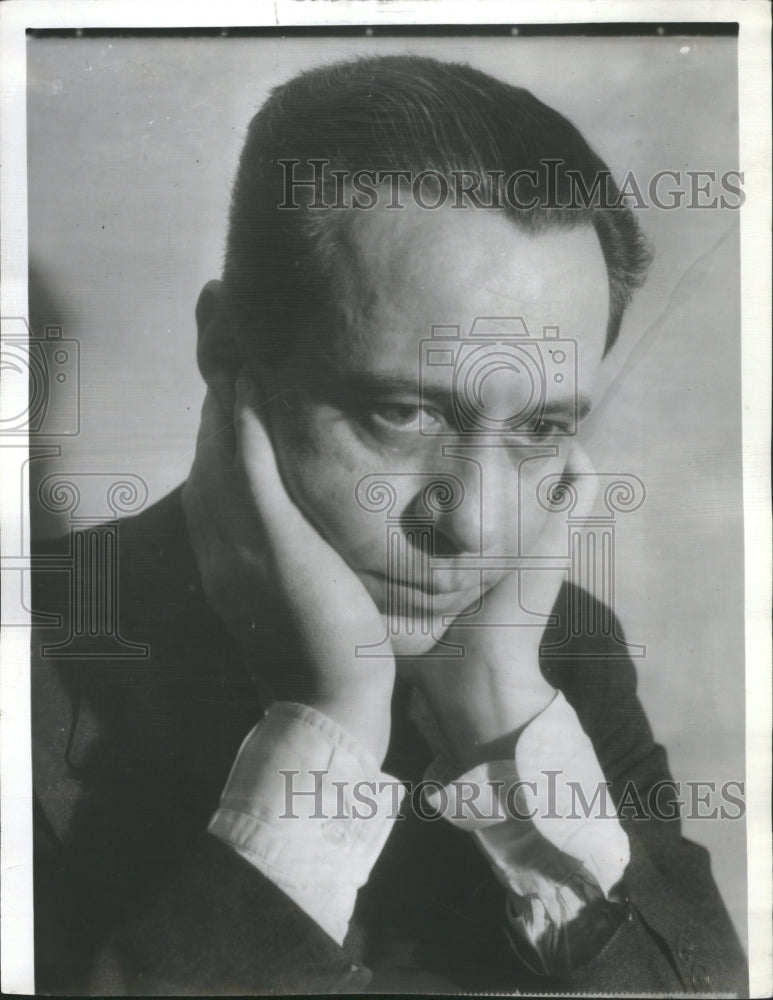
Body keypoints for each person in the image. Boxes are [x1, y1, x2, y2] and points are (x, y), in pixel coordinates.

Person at [31, 54, 747, 995]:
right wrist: (335, 722)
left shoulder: (554, 655)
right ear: (226, 350)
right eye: (405, 413)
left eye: (540, 429)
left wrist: (498, 720)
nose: (477, 529)